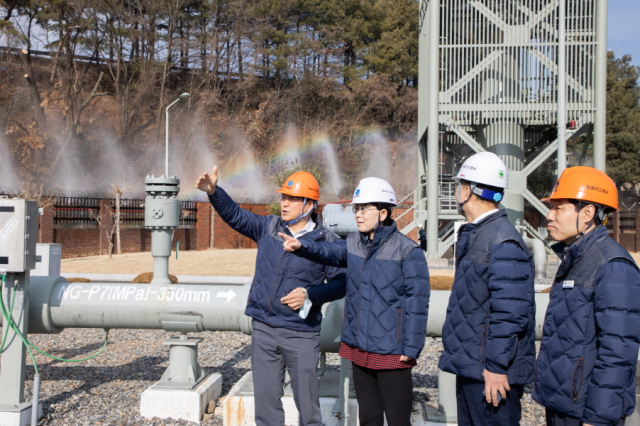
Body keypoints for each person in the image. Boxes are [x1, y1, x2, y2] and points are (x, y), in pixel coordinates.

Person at [195, 167, 346, 426]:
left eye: (292, 198)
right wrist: (214, 192)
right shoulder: (269, 226)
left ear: (309, 204)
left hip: (301, 333)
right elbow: (236, 216)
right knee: (266, 409)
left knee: (308, 411)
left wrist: (310, 295)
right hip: (264, 330)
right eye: (283, 197)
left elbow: (342, 283)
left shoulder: (326, 241)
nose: (284, 203)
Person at [279, 177, 430, 426]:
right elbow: (328, 252)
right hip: (360, 348)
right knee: (368, 417)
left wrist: (411, 347)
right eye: (356, 209)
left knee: (397, 419)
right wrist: (302, 246)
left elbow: (417, 302)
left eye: (364, 209)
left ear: (382, 213)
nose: (358, 215)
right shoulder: (352, 243)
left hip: (393, 351)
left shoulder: (408, 251)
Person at [532, 166, 640, 426]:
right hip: (563, 402)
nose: (549, 215)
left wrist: (599, 417)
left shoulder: (612, 266)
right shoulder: (576, 257)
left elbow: (618, 351)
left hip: (587, 413)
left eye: (559, 208)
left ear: (588, 213)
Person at [437, 152, 536, 426]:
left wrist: (495, 367)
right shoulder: (480, 233)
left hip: (489, 373)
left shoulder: (502, 240)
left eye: (459, 186)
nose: (457, 191)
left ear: (467, 191)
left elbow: (510, 313)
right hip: (474, 367)